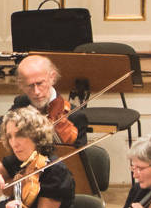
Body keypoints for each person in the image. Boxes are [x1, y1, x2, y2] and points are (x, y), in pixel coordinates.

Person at [8, 53, 107, 191]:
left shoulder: (74, 116)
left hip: (59, 185)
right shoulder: (21, 104)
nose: (36, 92)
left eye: (40, 83)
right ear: (21, 85)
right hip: (27, 184)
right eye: (30, 86)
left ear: (52, 78)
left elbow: (76, 165)